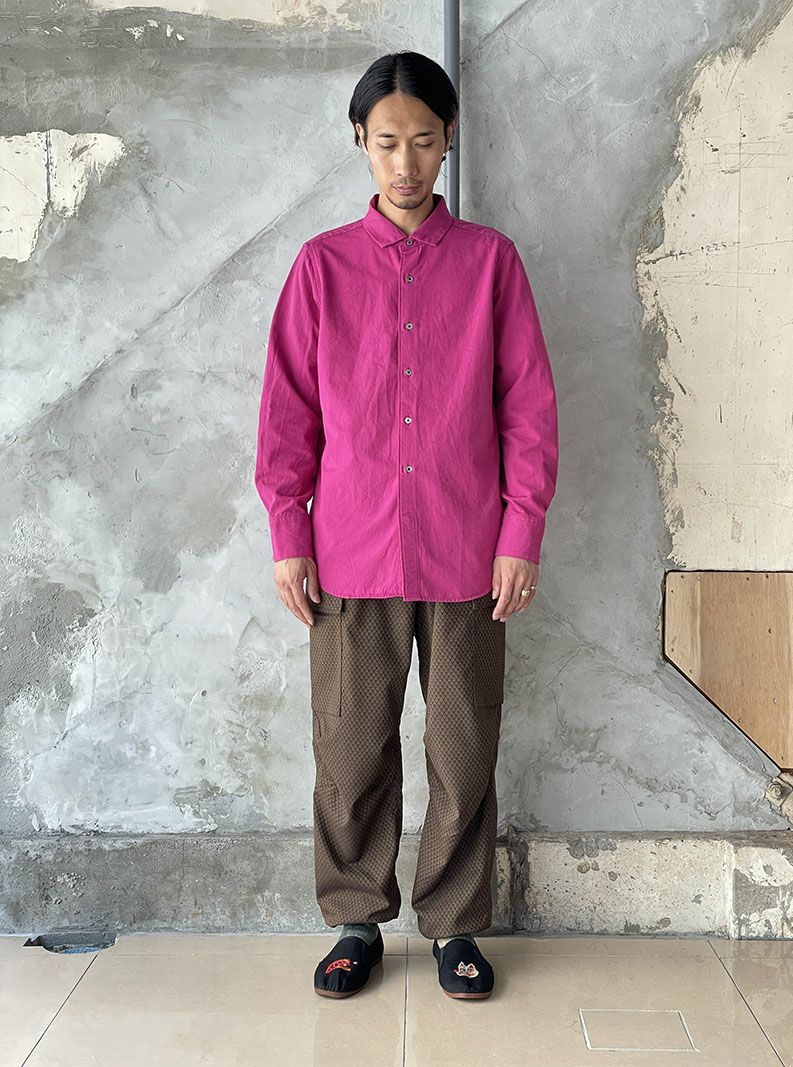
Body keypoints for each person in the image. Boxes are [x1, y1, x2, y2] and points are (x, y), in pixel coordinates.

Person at [254, 50, 558, 1001]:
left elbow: (529, 408)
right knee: (349, 749)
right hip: (349, 551)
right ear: (360, 141)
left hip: (468, 551)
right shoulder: (322, 267)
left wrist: (521, 531)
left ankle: (456, 925)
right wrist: (288, 533)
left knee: (463, 748)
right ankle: (356, 919)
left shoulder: (491, 262)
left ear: (449, 138)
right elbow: (287, 413)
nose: (406, 162)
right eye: (387, 141)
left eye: (424, 140)